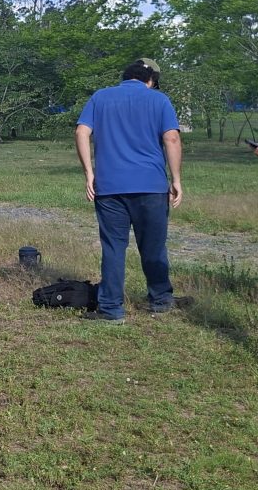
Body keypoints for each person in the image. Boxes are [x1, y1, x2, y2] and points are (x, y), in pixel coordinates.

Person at [74, 58, 184, 324]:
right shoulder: (159, 100)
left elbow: (81, 132)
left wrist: (89, 173)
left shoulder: (101, 97)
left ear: (125, 76)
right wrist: (176, 179)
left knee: (113, 247)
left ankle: (111, 309)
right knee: (154, 246)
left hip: (109, 188)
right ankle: (161, 299)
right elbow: (171, 138)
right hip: (151, 186)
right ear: (151, 81)